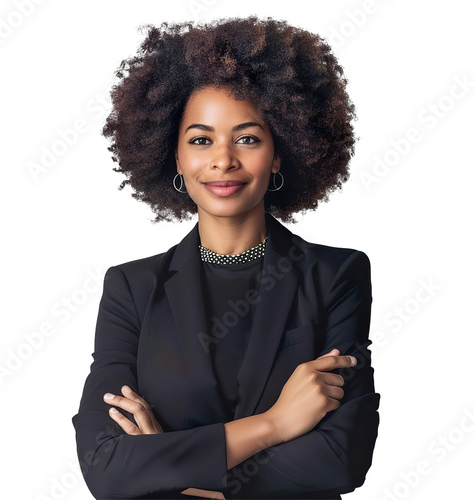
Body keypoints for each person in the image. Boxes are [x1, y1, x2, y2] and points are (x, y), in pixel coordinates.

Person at [71, 16, 380, 499]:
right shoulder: (131, 288)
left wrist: (174, 471)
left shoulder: (335, 274)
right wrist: (275, 424)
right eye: (200, 140)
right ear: (174, 157)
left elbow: (342, 457)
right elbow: (105, 465)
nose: (223, 159)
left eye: (248, 138)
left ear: (278, 153)